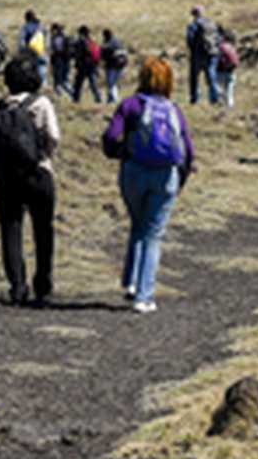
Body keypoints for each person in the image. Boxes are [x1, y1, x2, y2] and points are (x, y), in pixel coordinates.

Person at [101, 57, 194, 313]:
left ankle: (130, 282)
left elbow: (110, 136)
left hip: (133, 171)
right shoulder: (174, 110)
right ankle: (144, 296)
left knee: (138, 224)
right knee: (153, 234)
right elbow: (187, 149)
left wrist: (118, 152)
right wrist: (181, 177)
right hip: (166, 175)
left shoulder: (131, 105)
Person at [0, 56, 61, 307]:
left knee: (10, 230)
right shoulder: (42, 103)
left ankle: (17, 286)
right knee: (43, 229)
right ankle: (42, 283)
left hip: (6, 177)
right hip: (38, 172)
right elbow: (54, 136)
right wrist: (43, 153)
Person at [185, 7, 220, 105]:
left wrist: (193, 51)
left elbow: (190, 40)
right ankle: (215, 98)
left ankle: (194, 99)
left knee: (194, 78)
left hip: (198, 55)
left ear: (193, 14)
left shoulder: (193, 26)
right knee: (211, 76)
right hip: (212, 53)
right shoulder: (211, 24)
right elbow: (218, 38)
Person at [71, 25, 103, 104]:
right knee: (93, 84)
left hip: (83, 65)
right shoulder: (91, 41)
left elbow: (77, 53)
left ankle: (76, 100)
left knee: (78, 84)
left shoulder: (81, 41)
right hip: (92, 65)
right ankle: (98, 98)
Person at [100, 28, 129, 103]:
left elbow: (102, 56)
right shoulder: (118, 42)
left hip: (111, 67)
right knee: (114, 83)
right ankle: (110, 100)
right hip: (120, 66)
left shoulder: (107, 44)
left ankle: (115, 100)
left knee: (111, 84)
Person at [213, 29, 240, 109]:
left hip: (221, 72)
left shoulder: (220, 47)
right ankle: (230, 109)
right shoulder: (231, 46)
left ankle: (221, 101)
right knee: (230, 93)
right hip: (232, 72)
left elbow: (216, 58)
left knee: (214, 86)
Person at [19, 10, 48, 85]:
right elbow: (47, 42)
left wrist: (21, 53)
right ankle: (43, 87)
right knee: (42, 73)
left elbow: (21, 43)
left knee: (30, 75)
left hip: (30, 54)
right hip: (42, 54)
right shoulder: (42, 27)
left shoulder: (25, 28)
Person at [48, 23, 72, 98]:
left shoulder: (55, 39)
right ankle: (72, 95)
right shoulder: (66, 37)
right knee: (65, 81)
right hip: (67, 62)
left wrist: (52, 62)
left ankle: (60, 97)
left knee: (58, 83)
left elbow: (54, 51)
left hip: (58, 62)